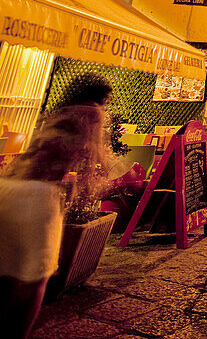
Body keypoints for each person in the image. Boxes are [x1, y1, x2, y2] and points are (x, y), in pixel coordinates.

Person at [0, 72, 113, 339]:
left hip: (7, 189)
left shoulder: (60, 110)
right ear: (102, 98)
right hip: (37, 195)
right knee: (36, 281)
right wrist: (97, 184)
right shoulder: (93, 113)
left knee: (6, 274)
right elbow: (95, 160)